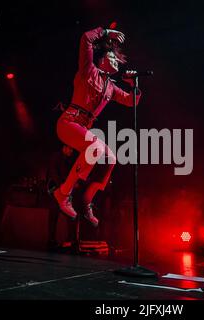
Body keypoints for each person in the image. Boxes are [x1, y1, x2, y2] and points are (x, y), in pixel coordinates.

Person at [53, 26, 142, 227]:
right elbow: (85, 38)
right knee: (96, 147)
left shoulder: (110, 87)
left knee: (111, 158)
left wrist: (133, 84)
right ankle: (62, 193)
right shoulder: (89, 69)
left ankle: (85, 201)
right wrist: (105, 33)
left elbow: (132, 101)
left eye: (116, 60)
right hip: (69, 122)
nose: (116, 61)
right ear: (102, 59)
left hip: (83, 128)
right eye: (112, 58)